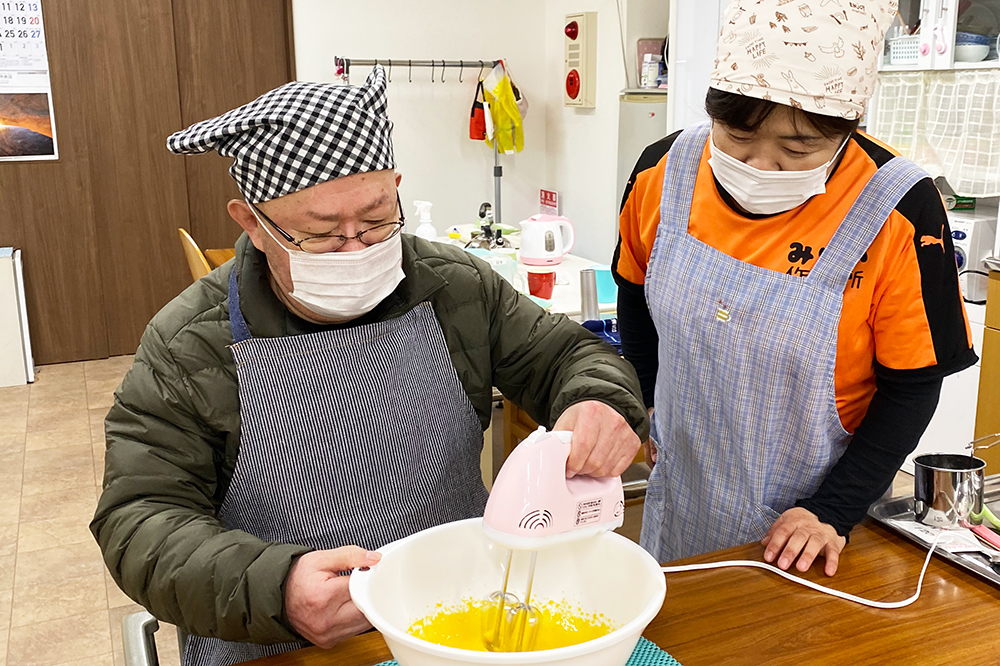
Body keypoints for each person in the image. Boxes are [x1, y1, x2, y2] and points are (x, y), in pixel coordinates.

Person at [91, 67, 648, 666]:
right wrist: (275, 587)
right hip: (283, 644)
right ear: (251, 221)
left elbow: (567, 354)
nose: (357, 249)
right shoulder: (189, 344)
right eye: (322, 234)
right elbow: (139, 517)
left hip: (460, 623)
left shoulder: (456, 288)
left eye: (378, 220)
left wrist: (600, 401)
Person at [614, 0, 976, 576]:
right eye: (736, 135)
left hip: (807, 534)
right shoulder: (664, 172)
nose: (762, 165)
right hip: (679, 498)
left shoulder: (899, 209)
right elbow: (634, 292)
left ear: (847, 129)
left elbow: (912, 387)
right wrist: (646, 399)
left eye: (797, 149)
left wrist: (833, 511)